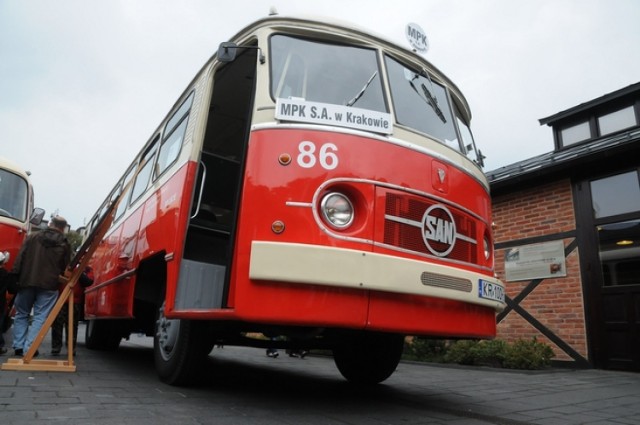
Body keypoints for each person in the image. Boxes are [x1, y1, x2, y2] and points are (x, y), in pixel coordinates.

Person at [11, 216, 71, 357]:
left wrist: (15, 275)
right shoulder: (64, 243)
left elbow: (21, 257)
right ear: (63, 228)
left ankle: (18, 346)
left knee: (22, 313)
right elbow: (66, 265)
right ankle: (30, 348)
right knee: (40, 316)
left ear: (50, 224)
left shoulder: (32, 237)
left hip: (27, 280)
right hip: (49, 284)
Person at [51, 266, 93, 356]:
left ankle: (56, 347)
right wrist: (89, 272)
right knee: (72, 325)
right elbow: (89, 282)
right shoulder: (79, 271)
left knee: (57, 324)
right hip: (74, 301)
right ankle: (71, 348)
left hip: (60, 300)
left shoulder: (60, 269)